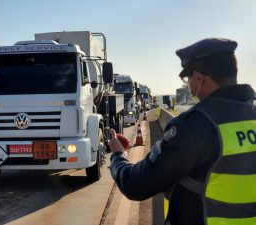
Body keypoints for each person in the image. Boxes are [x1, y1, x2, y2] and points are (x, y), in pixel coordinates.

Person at [108, 38, 256, 225]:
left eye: (187, 77)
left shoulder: (196, 125)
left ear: (199, 77)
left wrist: (118, 156)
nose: (188, 83)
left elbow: (136, 185)